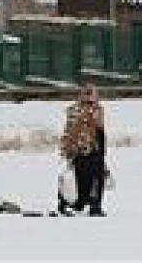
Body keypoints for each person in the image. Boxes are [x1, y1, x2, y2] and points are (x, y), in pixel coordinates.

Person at [58, 83, 107, 216]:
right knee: (88, 179)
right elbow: (96, 131)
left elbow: (68, 131)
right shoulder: (93, 110)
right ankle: (90, 204)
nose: (90, 97)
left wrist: (66, 148)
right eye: (88, 93)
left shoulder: (76, 110)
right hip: (86, 150)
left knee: (85, 178)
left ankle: (82, 203)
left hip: (84, 151)